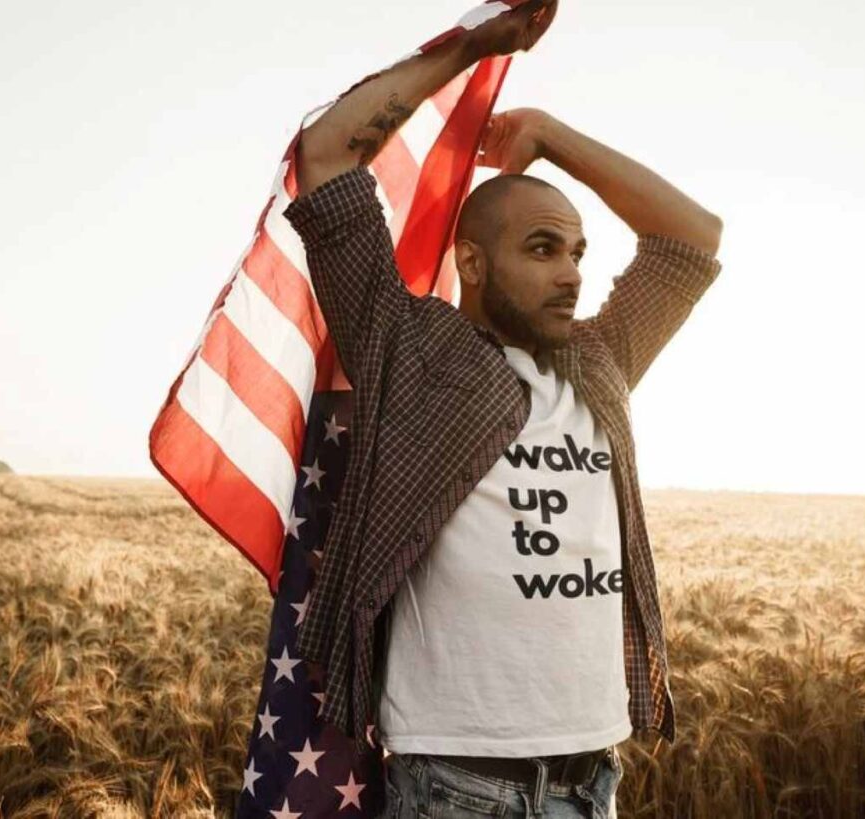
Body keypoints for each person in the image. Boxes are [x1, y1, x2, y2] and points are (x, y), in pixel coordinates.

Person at [283, 1, 724, 815]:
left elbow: (693, 239)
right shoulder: (407, 348)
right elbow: (324, 154)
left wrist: (550, 134)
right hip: (457, 786)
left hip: (593, 782)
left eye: (579, 251)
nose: (572, 273)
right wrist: (473, 47)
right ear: (474, 263)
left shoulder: (600, 363)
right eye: (543, 248)